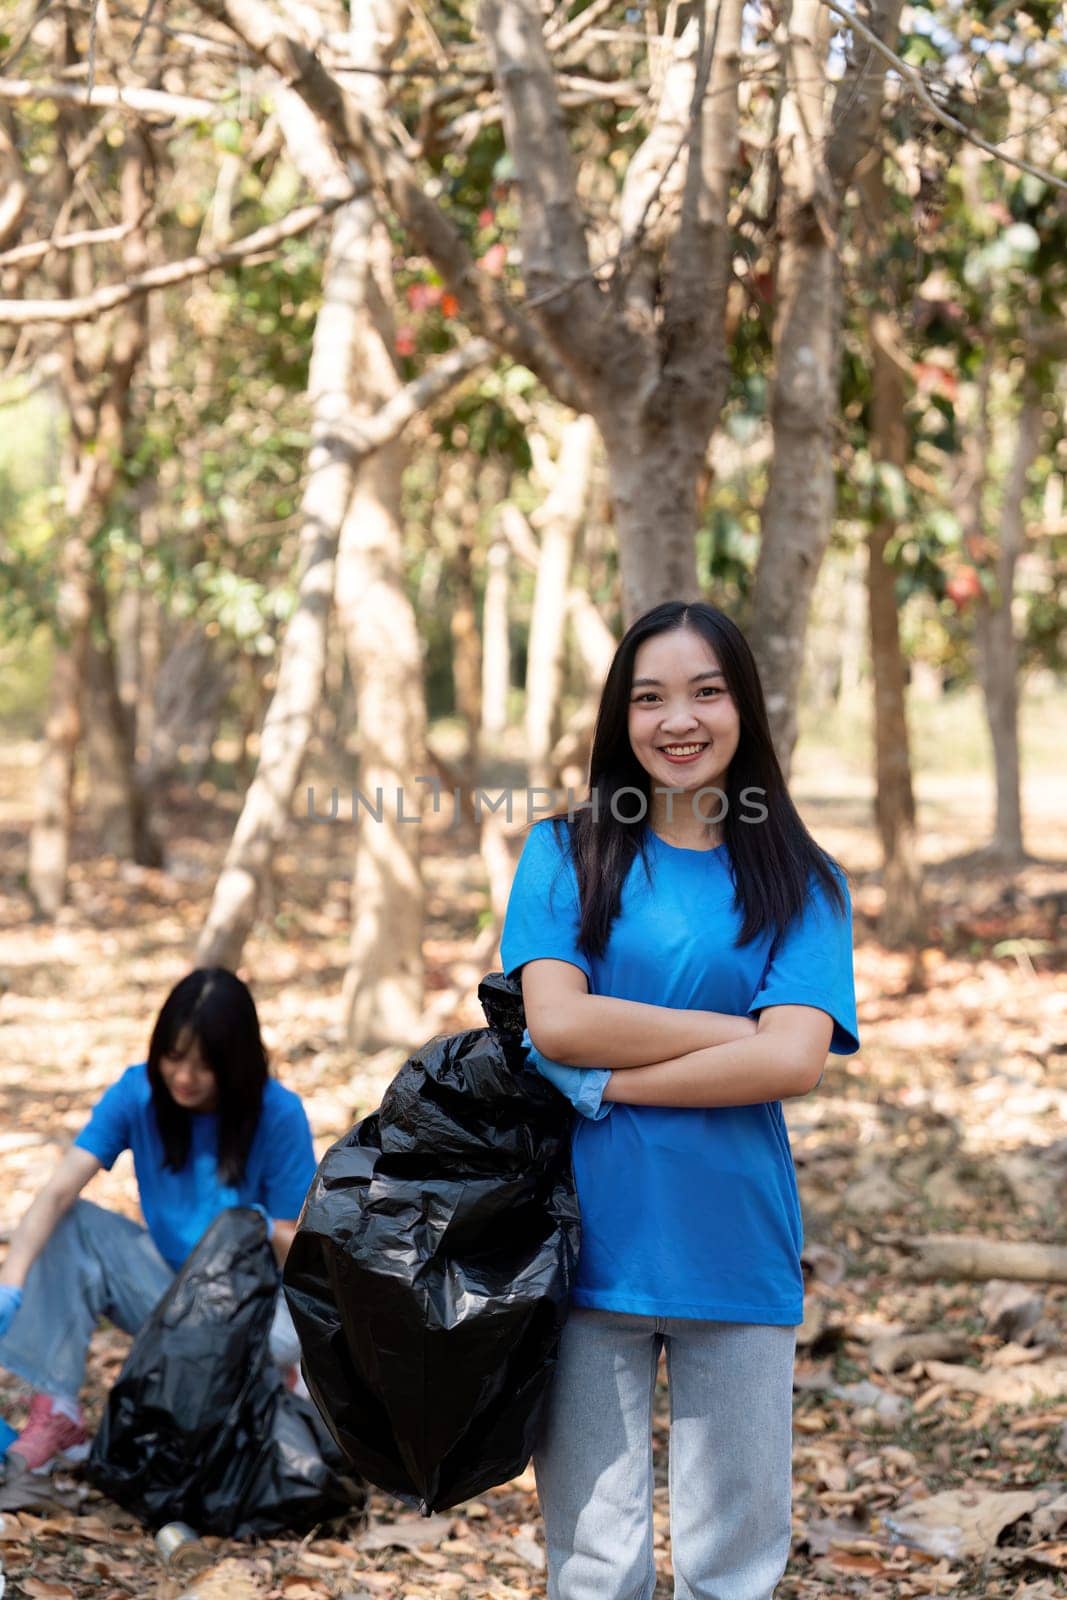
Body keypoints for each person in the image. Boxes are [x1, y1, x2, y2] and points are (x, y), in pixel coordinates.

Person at [499, 600, 860, 1600]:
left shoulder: (804, 881)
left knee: (731, 1568)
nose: (678, 720)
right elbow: (556, 1022)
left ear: (742, 705)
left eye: (705, 691)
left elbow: (793, 1063)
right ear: (621, 717)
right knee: (593, 1563)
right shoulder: (563, 852)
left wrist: (605, 1083)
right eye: (649, 697)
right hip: (579, 1252)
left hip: (733, 1252)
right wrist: (739, 1032)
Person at [0, 967, 317, 1475]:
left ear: (234, 1064)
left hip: (250, 1311)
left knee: (287, 1342)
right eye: (173, 1058)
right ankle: (57, 1412)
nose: (183, 1077)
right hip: (167, 1289)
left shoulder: (277, 1113)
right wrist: (10, 1284)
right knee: (74, 1222)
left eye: (203, 1064)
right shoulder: (138, 1094)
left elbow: (293, 1243)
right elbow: (59, 1191)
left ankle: (271, 1388)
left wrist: (315, 1347)